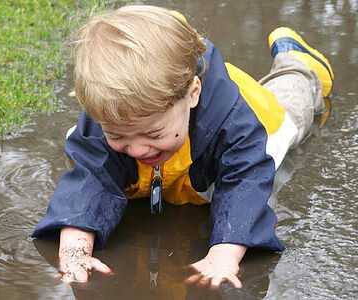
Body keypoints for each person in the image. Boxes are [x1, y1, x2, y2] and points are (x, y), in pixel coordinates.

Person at [32, 4, 334, 290]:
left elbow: (244, 186)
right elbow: (88, 181)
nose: (137, 150)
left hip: (263, 114)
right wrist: (75, 250)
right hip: (187, 102)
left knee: (293, 105)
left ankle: (300, 63)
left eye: (153, 134)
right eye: (119, 137)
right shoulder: (114, 114)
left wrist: (223, 255)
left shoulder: (236, 130)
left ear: (192, 94)